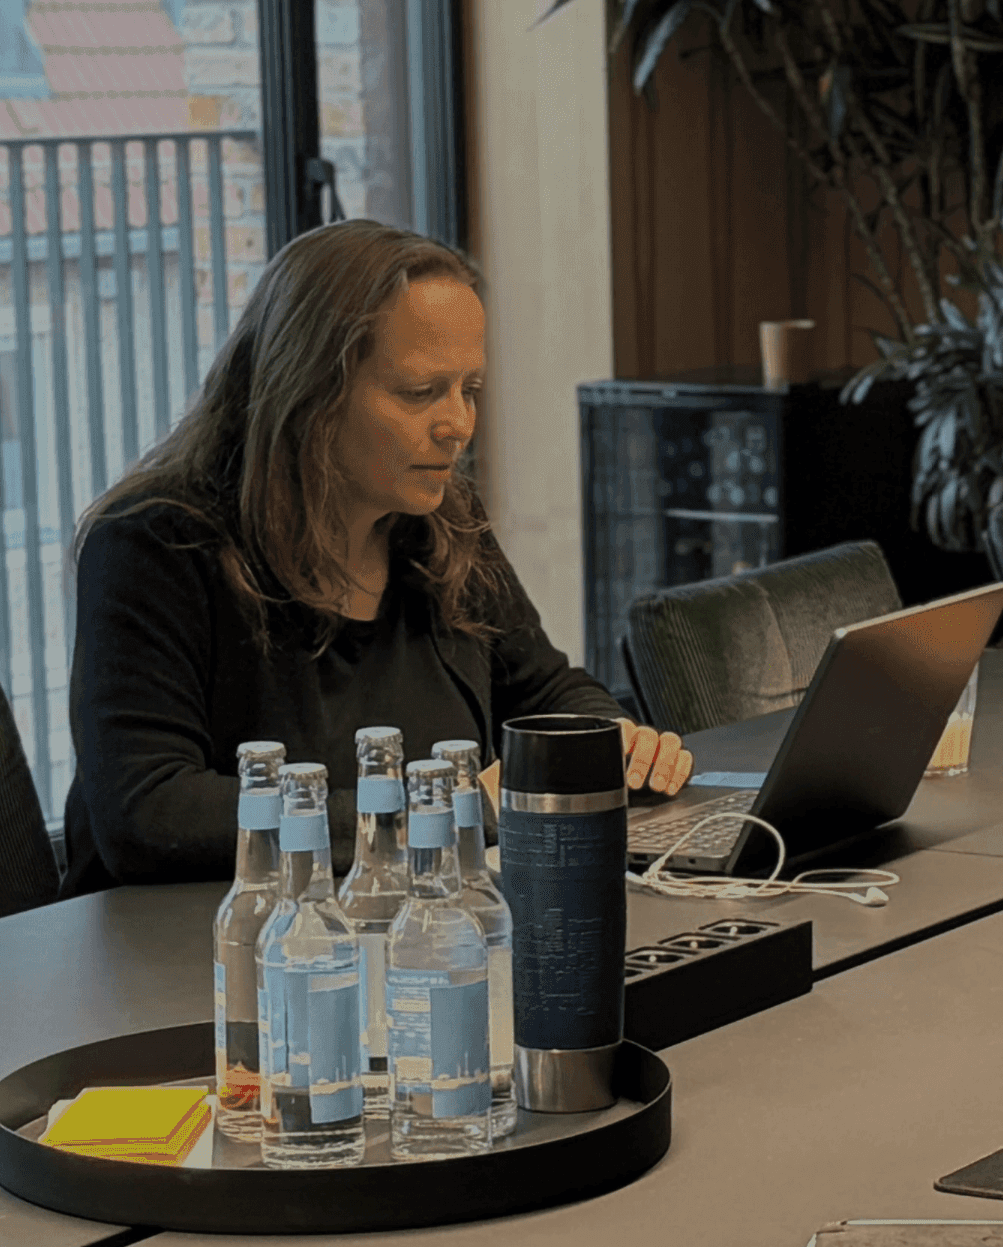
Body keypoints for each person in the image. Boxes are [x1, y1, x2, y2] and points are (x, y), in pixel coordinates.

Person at [63, 221, 691, 891]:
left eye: (469, 388)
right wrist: (449, 811)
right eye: (421, 392)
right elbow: (148, 813)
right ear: (308, 392)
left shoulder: (442, 522)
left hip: (409, 933)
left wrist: (613, 739)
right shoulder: (153, 545)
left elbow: (546, 690)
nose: (459, 424)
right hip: (202, 961)